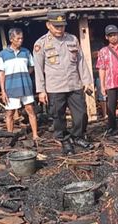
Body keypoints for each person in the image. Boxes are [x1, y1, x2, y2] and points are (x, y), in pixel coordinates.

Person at [33, 12, 94, 155]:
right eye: (56, 26)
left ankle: (77, 136)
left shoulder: (72, 39)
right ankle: (65, 140)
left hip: (74, 84)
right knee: (58, 116)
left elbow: (81, 62)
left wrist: (87, 81)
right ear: (48, 25)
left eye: (62, 26)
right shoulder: (41, 44)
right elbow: (38, 68)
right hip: (55, 87)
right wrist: (41, 90)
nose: (60, 29)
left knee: (81, 114)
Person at [0, 28, 38, 139]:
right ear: (11, 39)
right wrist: (3, 91)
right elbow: (1, 74)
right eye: (18, 38)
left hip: (26, 87)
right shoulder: (3, 54)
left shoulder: (26, 52)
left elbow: (31, 67)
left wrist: (24, 76)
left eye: (22, 38)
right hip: (11, 88)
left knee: (30, 110)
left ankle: (35, 135)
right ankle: (10, 136)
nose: (20, 41)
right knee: (10, 113)